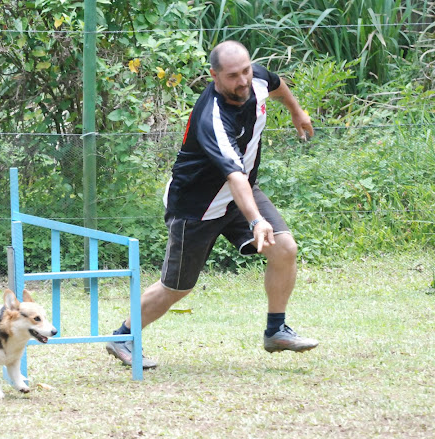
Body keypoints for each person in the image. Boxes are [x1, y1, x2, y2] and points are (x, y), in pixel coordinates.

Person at [106, 40, 319, 368]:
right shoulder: (213, 116)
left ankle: (276, 331)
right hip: (196, 208)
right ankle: (123, 336)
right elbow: (234, 177)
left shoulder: (256, 78)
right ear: (214, 76)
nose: (244, 80)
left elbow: (276, 84)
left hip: (240, 193)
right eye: (233, 75)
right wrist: (255, 221)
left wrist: (296, 110)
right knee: (175, 289)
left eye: (246, 70)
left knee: (284, 249)